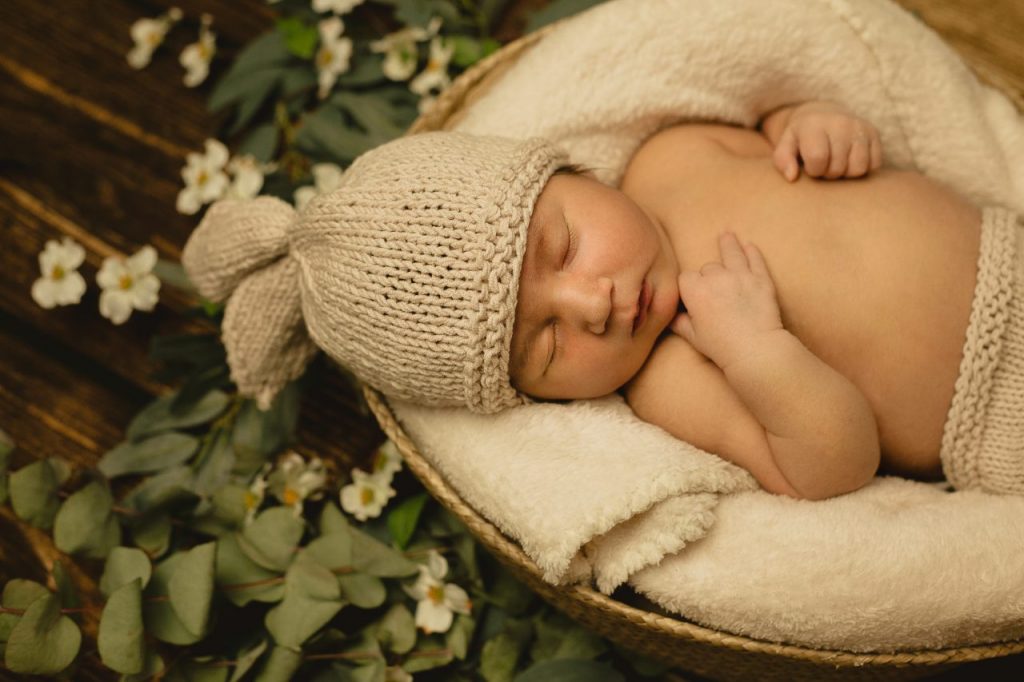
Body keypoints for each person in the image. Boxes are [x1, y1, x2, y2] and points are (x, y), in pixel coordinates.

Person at [181, 102, 1022, 502]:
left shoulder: (672, 154)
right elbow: (832, 468)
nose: (592, 305)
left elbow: (782, 113)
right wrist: (757, 351)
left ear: (573, 172)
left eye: (563, 248)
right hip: (997, 407)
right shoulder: (669, 376)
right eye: (546, 347)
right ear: (534, 397)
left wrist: (814, 126)